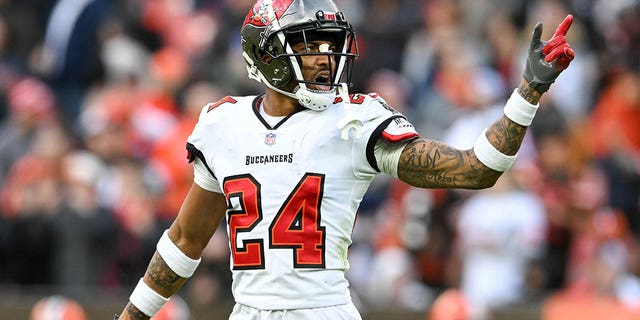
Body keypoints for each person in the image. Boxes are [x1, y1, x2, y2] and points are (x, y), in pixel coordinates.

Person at [115, 0, 575, 319]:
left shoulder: (352, 121)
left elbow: (477, 169)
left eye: (329, 44)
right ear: (267, 53)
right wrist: (133, 316)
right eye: (309, 44)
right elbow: (185, 241)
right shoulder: (223, 125)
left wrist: (527, 93)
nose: (325, 57)